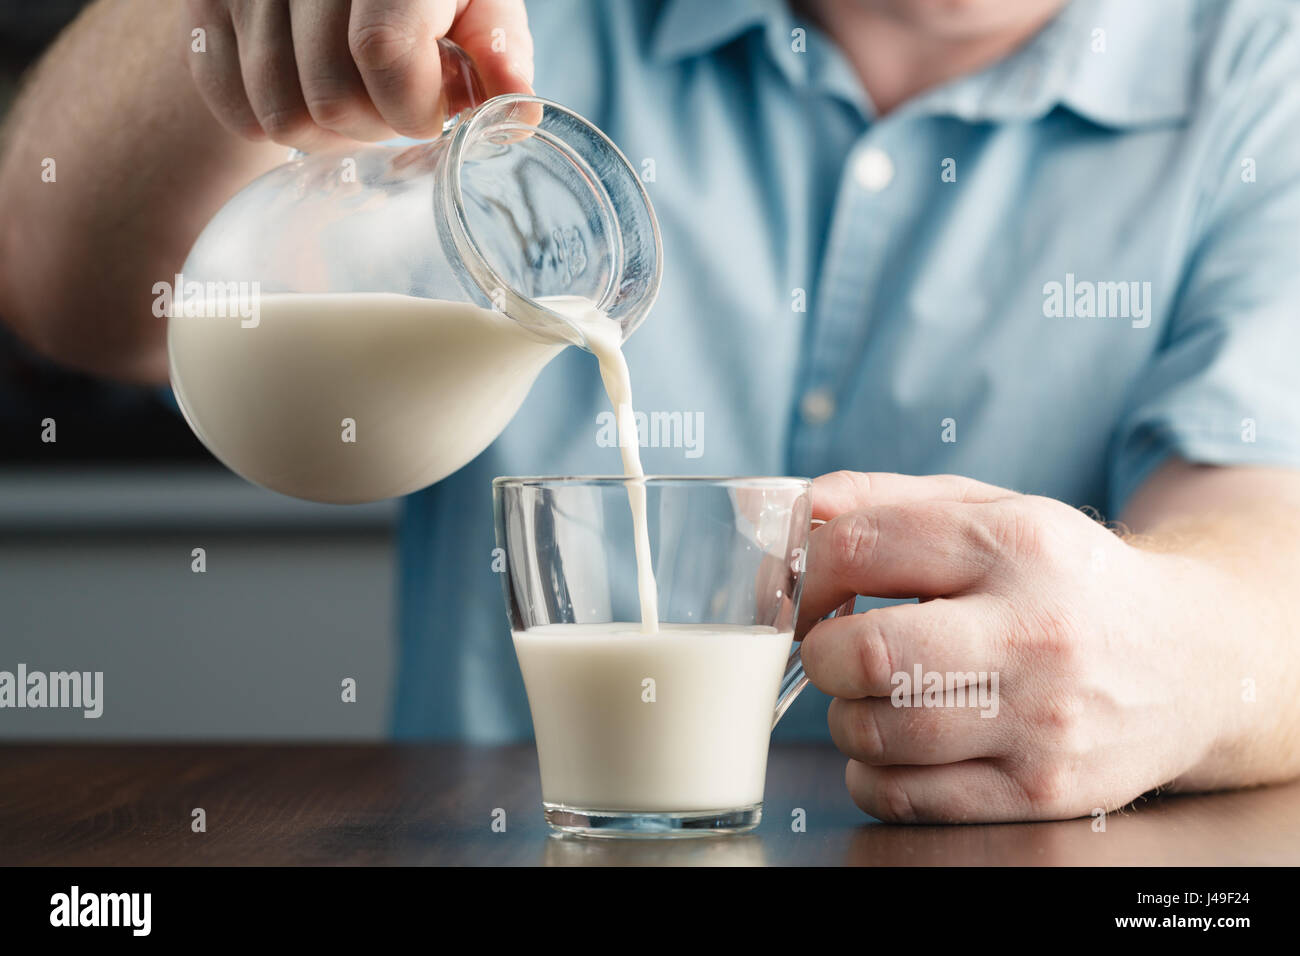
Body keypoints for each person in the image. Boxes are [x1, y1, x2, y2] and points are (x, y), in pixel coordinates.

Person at [1, 0, 1299, 824]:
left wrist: (1171, 647)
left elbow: (1265, 531)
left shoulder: (1262, 67)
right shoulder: (512, 25)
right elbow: (57, 281)